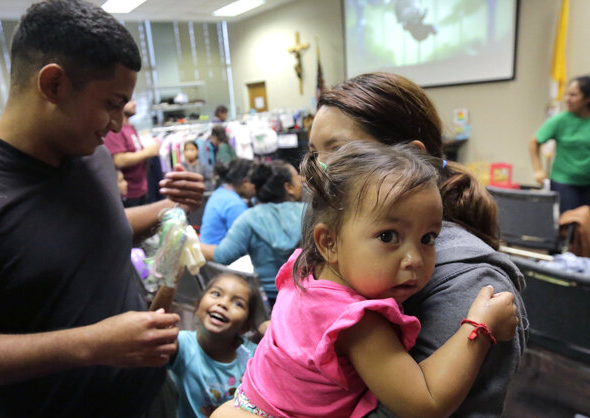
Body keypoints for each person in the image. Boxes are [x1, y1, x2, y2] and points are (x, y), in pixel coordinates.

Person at [0, 1, 205, 417]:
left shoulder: (89, 153)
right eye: (112, 104)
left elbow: (97, 232)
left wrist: (171, 205)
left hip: (148, 394)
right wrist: (88, 345)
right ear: (54, 85)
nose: (118, 124)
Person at [213, 141, 519, 418]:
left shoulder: (305, 269)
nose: (414, 258)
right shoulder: (356, 323)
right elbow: (427, 402)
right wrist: (481, 325)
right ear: (329, 243)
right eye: (388, 236)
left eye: (428, 237)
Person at [306, 72, 527, 417]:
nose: (315, 174)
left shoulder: (471, 284)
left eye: (338, 153)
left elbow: (421, 403)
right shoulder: (336, 251)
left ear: (411, 158)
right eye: (314, 154)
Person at [201, 160, 305, 306]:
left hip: (266, 303)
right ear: (289, 188)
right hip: (302, 297)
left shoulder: (248, 219)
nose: (302, 180)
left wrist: (189, 242)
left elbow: (221, 256)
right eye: (297, 177)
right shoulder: (309, 214)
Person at [530, 74, 590, 212]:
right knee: (568, 226)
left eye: (573, 95)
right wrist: (538, 170)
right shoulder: (560, 121)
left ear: (589, 98)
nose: (567, 99)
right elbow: (534, 142)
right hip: (564, 183)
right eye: (567, 94)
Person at [169, 273, 260, 418]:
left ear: (246, 326)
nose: (223, 304)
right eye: (216, 294)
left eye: (238, 303)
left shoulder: (254, 357)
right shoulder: (182, 345)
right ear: (197, 306)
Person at [105, 99, 161, 207]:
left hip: (140, 189)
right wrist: (147, 152)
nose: (135, 104)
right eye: (129, 101)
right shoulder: (115, 130)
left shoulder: (130, 127)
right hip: (128, 193)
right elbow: (119, 160)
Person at [200, 159, 256, 245]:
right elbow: (244, 242)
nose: (256, 188)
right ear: (245, 182)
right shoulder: (235, 204)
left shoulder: (221, 192)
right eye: (255, 183)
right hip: (217, 254)